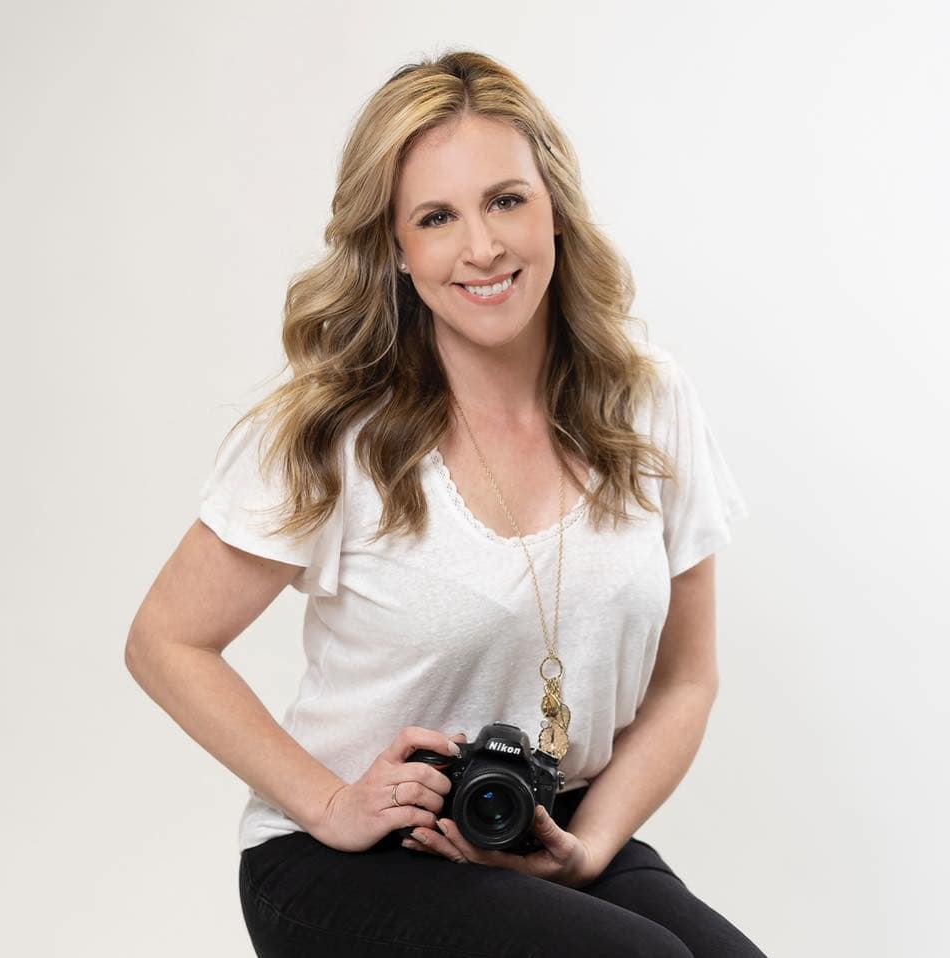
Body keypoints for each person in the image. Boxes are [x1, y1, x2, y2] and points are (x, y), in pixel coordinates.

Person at [125, 49, 768, 957]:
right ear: (395, 247)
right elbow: (165, 640)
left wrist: (587, 849)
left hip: (537, 829)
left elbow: (684, 681)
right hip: (350, 860)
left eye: (506, 200)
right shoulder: (335, 432)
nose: (482, 248)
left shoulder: (647, 402)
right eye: (436, 217)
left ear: (554, 205)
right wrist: (331, 804)